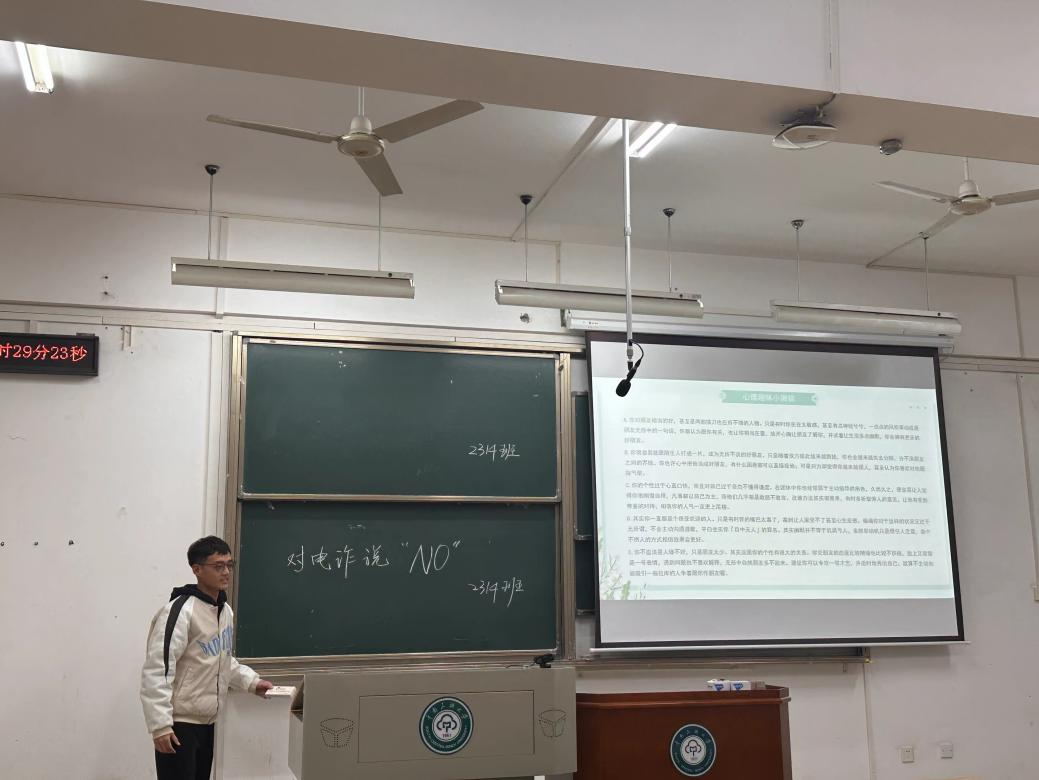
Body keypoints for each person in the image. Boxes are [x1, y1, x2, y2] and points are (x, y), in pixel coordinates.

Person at [141, 536, 273, 779]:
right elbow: (158, 668)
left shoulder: (224, 611)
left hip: (209, 722)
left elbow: (221, 660)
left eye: (229, 565)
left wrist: (252, 682)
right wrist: (160, 725)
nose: (226, 572)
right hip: (179, 724)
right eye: (218, 566)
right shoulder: (180, 610)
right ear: (197, 569)